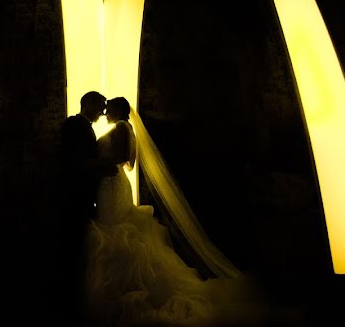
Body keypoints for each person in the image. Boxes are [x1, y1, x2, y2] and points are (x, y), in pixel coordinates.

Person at [84, 97, 267, 326]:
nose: (104, 112)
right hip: (111, 183)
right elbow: (129, 163)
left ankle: (123, 294)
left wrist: (98, 163)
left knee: (116, 233)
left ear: (118, 110)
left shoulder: (121, 128)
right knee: (116, 232)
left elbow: (124, 160)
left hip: (112, 183)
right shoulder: (123, 128)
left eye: (107, 108)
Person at [59, 90, 119, 323]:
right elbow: (75, 161)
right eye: (101, 106)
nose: (103, 112)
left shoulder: (83, 126)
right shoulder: (74, 125)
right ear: (88, 103)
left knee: (82, 245)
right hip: (73, 195)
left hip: (82, 194)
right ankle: (71, 303)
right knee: (74, 245)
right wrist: (103, 166)